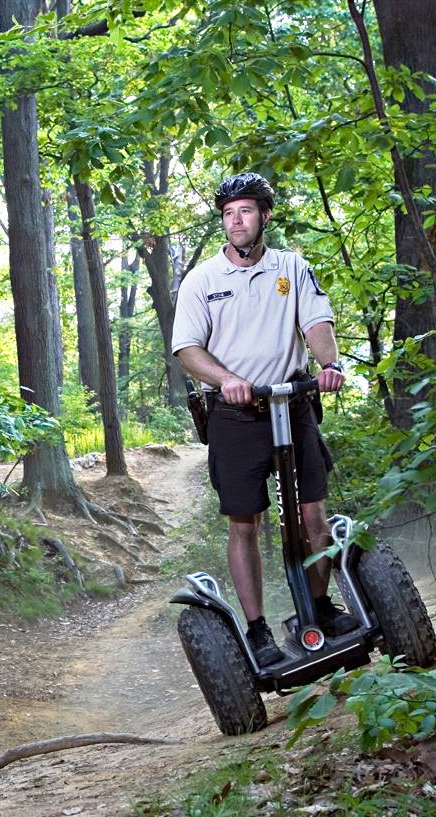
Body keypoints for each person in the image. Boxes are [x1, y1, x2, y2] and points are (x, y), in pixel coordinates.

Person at [170, 172, 355, 666]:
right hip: (234, 415)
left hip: (292, 401)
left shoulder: (291, 267)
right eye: (229, 213)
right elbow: (187, 349)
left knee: (314, 516)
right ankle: (258, 632)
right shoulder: (203, 280)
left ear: (264, 216)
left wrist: (329, 364)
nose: (236, 221)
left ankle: (315, 608)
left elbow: (316, 322)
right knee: (244, 524)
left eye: (246, 211)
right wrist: (226, 378)